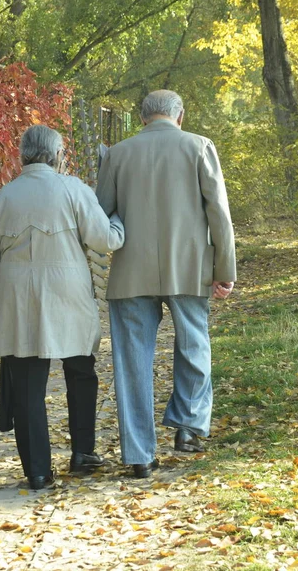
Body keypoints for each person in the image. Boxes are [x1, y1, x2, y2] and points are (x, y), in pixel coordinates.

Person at [96, 89, 236, 479]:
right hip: (190, 267)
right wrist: (224, 267)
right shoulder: (199, 147)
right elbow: (219, 213)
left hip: (130, 271)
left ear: (142, 118)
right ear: (180, 115)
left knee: (132, 360)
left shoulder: (118, 154)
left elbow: (100, 213)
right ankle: (189, 426)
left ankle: (139, 454)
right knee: (194, 343)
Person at [0, 124, 125, 490]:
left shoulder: (3, 197)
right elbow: (104, 240)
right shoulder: (73, 189)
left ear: (22, 156)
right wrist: (119, 222)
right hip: (68, 294)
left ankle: (38, 472)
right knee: (80, 371)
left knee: (27, 386)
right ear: (58, 155)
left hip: (18, 298)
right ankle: (82, 453)